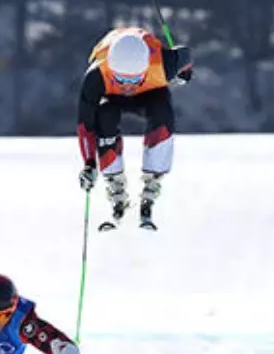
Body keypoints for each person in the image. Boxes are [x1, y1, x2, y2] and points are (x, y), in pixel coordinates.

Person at [75, 26, 193, 230]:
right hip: (112, 96)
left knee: (162, 115)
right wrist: (88, 164)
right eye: (121, 79)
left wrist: (185, 73)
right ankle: (116, 191)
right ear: (111, 68)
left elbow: (185, 55)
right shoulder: (96, 76)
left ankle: (150, 190)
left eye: (133, 79)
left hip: (150, 92)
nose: (128, 86)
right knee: (104, 117)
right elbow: (85, 124)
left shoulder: (165, 64)